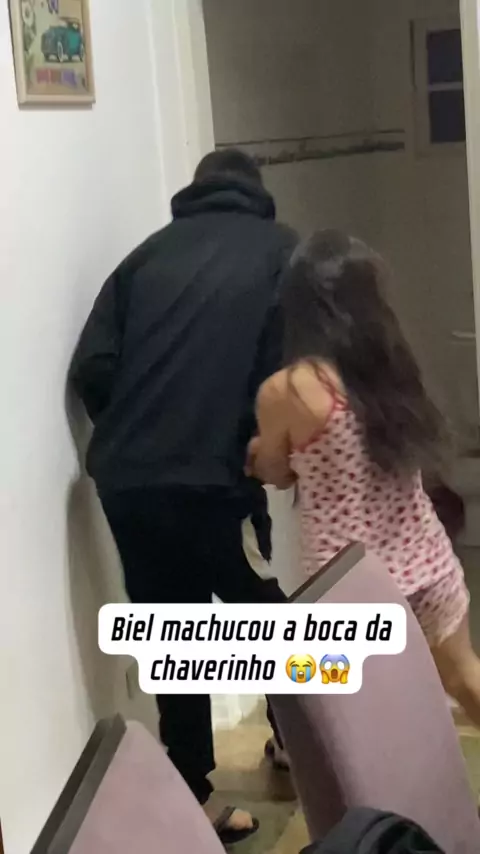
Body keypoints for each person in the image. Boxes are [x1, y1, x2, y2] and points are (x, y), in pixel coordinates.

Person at [70, 149, 297, 843]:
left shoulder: (144, 258)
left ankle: (193, 799)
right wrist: (254, 449)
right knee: (270, 619)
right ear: (257, 192)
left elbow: (93, 367)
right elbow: (283, 372)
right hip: (215, 478)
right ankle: (306, 743)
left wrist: (140, 436)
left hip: (129, 480)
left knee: (176, 630)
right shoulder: (280, 252)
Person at [248, 229, 480, 728]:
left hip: (348, 588)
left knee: (369, 725)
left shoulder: (288, 390)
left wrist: (262, 455)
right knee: (466, 678)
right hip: (425, 564)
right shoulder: (392, 370)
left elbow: (277, 472)